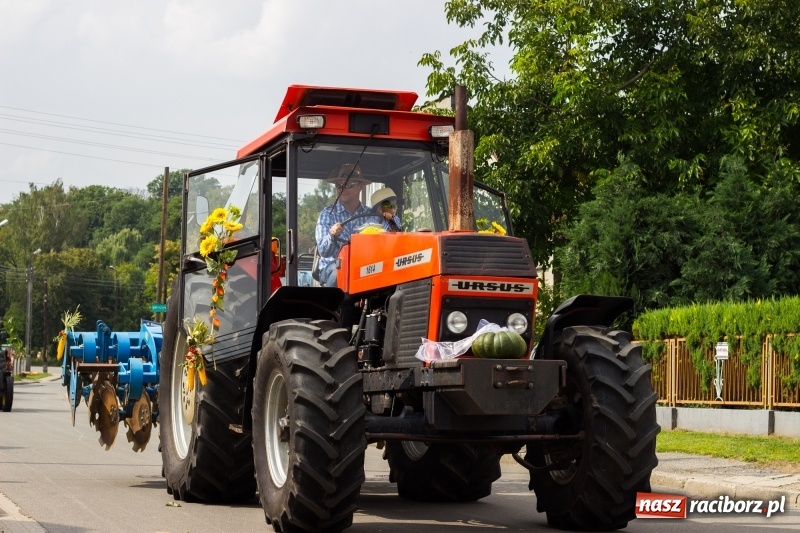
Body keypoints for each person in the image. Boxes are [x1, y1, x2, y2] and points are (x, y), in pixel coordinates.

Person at [314, 163, 378, 287]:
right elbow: (323, 251)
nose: (342, 189)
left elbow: (380, 242)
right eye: (339, 186)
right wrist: (331, 236)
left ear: (361, 186)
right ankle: (335, 306)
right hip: (333, 266)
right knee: (338, 271)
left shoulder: (371, 215)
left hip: (364, 265)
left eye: (348, 185)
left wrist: (389, 214)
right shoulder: (327, 214)